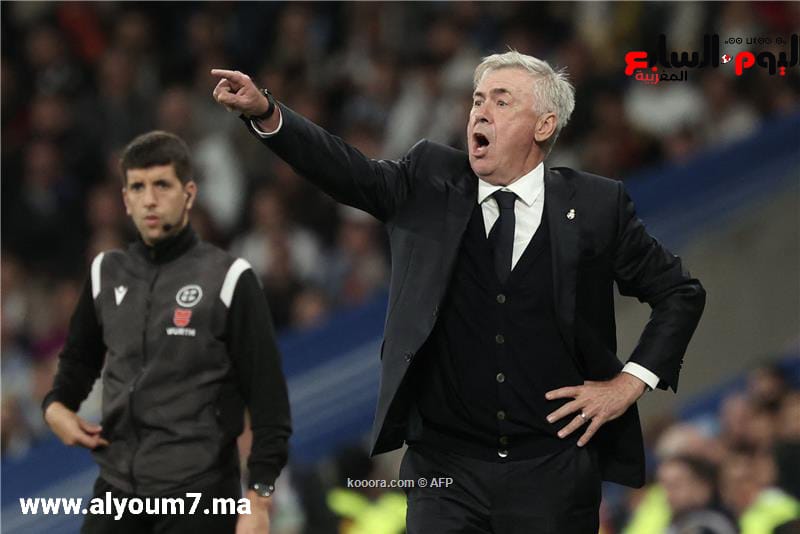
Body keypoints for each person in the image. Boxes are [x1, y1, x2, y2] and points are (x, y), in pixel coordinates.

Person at [211, 49, 705, 533]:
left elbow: (679, 293)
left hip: (552, 471)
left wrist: (629, 383)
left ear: (544, 125)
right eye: (477, 100)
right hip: (444, 472)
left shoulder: (597, 205)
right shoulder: (429, 179)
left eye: (501, 101)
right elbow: (346, 170)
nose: (480, 112)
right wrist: (267, 112)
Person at [42, 131, 292, 534]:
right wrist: (56, 405)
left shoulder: (229, 279)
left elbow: (269, 401)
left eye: (162, 185)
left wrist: (259, 498)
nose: (149, 200)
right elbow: (78, 360)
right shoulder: (105, 272)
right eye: (137, 187)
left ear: (188, 194)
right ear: (125, 200)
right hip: (118, 489)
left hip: (201, 490)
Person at [657, 454, 738, 534]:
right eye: (664, 486)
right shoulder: (678, 521)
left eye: (676, 485)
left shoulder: (711, 526)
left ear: (702, 486)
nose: (668, 493)